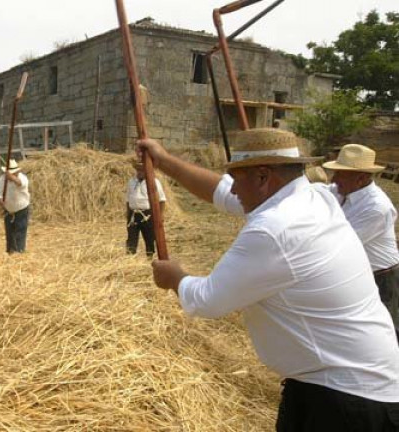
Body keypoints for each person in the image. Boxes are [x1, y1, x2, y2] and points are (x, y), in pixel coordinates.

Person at [139, 128, 399, 430]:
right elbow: (221, 192)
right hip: (348, 380)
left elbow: (207, 300)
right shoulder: (314, 197)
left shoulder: (276, 228)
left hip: (345, 398)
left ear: (263, 177)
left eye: (237, 178)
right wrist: (164, 161)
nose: (233, 189)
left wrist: (175, 277)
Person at [323, 144, 399, 343]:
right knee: (356, 332)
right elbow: (321, 190)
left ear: (361, 178)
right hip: (357, 272)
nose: (334, 179)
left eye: (341, 174)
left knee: (385, 334)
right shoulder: (341, 192)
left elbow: (340, 245)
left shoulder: (377, 208)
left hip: (380, 277)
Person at [125, 159, 167, 257]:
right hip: (133, 214)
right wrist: (128, 214)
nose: (139, 172)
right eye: (138, 170)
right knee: (131, 238)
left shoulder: (154, 182)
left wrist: (160, 215)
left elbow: (162, 199)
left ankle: (150, 258)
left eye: (142, 170)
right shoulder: (131, 181)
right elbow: (128, 199)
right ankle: (130, 259)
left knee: (149, 237)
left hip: (147, 215)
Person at [0, 159, 31, 254]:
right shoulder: (2, 179)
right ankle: (10, 252)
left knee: (20, 230)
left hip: (21, 208)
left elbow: (21, 184)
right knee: (10, 232)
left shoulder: (22, 178)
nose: (14, 174)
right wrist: (0, 201)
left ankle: (20, 252)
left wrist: (12, 178)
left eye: (15, 173)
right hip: (8, 210)